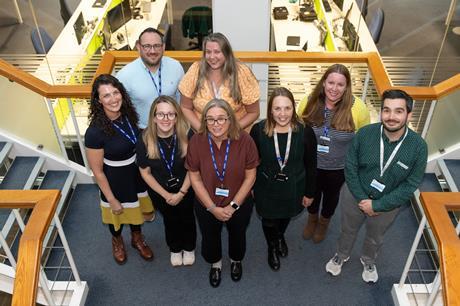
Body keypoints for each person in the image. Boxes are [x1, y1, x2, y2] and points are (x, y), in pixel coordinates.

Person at [325, 89, 427, 283]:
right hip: (354, 195)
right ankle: (342, 254)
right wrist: (363, 199)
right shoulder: (365, 134)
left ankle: (368, 260)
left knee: (375, 236)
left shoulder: (419, 147)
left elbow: (411, 184)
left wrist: (378, 205)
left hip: (388, 203)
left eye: (398, 111)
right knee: (347, 229)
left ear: (408, 114)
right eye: (386, 110)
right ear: (381, 112)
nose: (391, 117)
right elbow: (351, 167)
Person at [185, 99, 259, 288]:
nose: (215, 124)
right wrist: (211, 207)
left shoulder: (245, 140)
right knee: (209, 235)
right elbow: (195, 177)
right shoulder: (196, 140)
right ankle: (215, 263)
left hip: (239, 202)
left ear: (230, 119)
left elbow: (250, 177)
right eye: (210, 119)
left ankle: (236, 260)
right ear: (204, 121)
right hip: (206, 203)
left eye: (221, 119)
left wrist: (233, 206)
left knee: (238, 233)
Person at [85, 74, 154, 265]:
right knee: (116, 216)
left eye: (116, 92)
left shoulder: (128, 115)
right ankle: (117, 240)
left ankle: (136, 238)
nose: (113, 99)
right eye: (106, 95)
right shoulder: (94, 132)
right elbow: (97, 172)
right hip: (114, 180)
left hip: (134, 173)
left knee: (136, 209)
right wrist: (112, 199)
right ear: (98, 100)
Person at [298, 64, 370, 243]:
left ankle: (323, 223)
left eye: (340, 84)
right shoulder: (309, 102)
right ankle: (312, 218)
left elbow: (364, 140)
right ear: (323, 83)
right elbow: (298, 130)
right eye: (331, 82)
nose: (334, 89)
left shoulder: (358, 108)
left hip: (338, 168)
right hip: (311, 165)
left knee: (331, 197)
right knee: (311, 194)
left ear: (347, 87)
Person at [250, 87, 317, 271]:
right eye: (277, 108)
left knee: (286, 216)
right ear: (270, 110)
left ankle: (279, 236)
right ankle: (272, 246)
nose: (282, 114)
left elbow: (312, 165)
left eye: (287, 108)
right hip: (266, 187)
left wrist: (310, 193)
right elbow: (251, 163)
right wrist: (251, 187)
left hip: (294, 187)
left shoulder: (305, 132)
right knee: (269, 219)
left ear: (293, 109)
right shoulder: (258, 130)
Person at [136, 95, 197, 267]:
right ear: (154, 117)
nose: (166, 119)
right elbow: (145, 173)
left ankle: (189, 247)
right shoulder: (144, 139)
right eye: (161, 114)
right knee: (170, 220)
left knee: (187, 218)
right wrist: (166, 195)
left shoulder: (188, 135)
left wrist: (182, 192)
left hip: (187, 186)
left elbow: (193, 169)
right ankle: (175, 248)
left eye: (171, 114)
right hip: (160, 191)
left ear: (177, 116)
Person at [179, 32, 260, 132]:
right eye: (208, 52)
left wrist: (230, 131)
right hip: (202, 134)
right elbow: (185, 107)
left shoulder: (241, 72)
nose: (212, 57)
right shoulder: (196, 70)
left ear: (226, 53)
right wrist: (202, 130)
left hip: (234, 135)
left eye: (217, 52)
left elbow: (253, 112)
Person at [117, 27, 184, 130]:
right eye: (147, 46)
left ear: (163, 47)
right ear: (138, 47)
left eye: (157, 46)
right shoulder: (124, 75)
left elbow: (180, 100)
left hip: (173, 128)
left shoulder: (176, 67)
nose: (152, 51)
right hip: (143, 131)